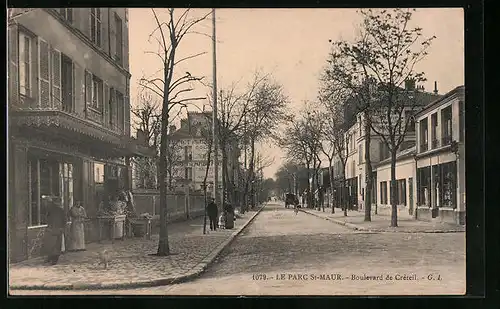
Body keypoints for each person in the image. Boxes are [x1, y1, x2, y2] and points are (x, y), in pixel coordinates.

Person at [42, 197, 66, 265]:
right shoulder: (60, 210)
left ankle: (52, 258)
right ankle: (53, 258)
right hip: (56, 229)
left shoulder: (51, 209)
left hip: (53, 229)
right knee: (55, 245)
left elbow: (47, 218)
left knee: (53, 244)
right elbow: (64, 220)